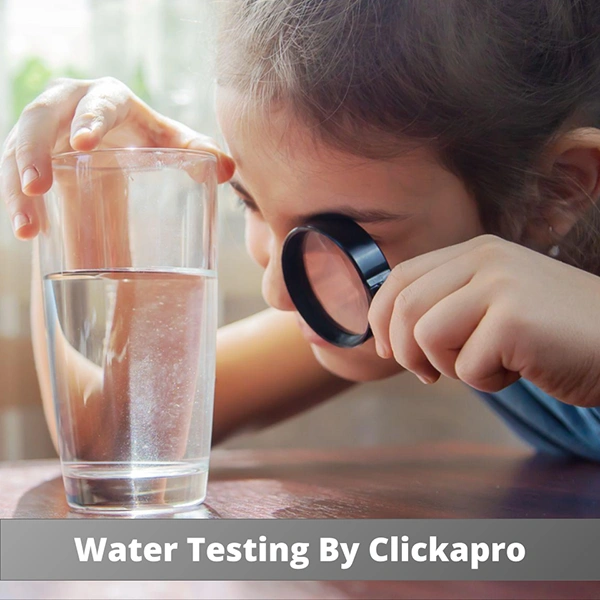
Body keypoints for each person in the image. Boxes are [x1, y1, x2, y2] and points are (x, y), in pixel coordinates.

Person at [2, 0, 600, 459]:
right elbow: (120, 429)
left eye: (346, 233)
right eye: (249, 204)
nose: (278, 295)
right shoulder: (369, 293)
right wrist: (74, 188)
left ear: (556, 191)